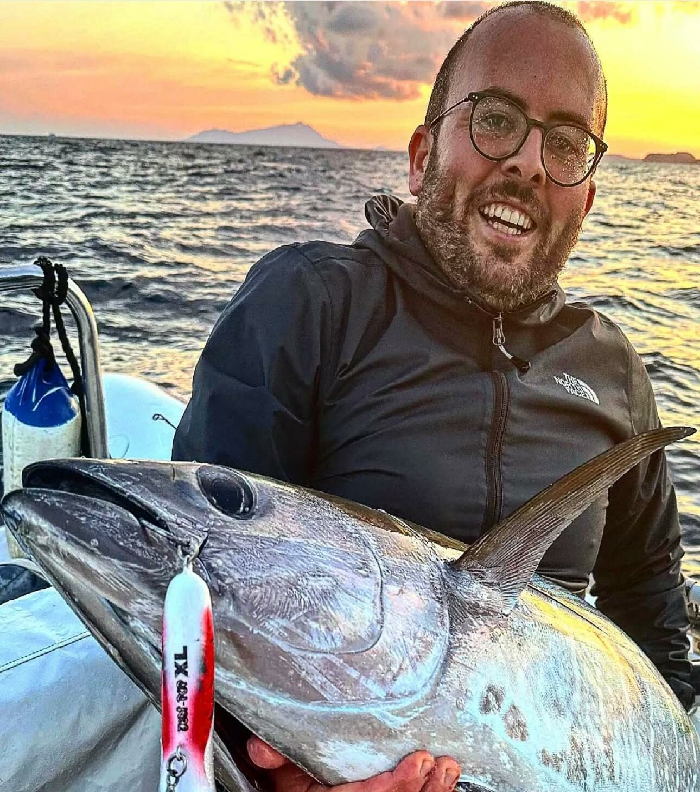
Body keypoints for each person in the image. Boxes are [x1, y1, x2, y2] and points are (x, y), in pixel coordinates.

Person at [173, 2, 694, 789]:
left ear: (585, 201)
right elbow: (200, 580)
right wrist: (270, 777)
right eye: (496, 120)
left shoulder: (614, 371)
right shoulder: (311, 304)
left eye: (566, 144)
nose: (529, 163)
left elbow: (649, 609)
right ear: (421, 158)